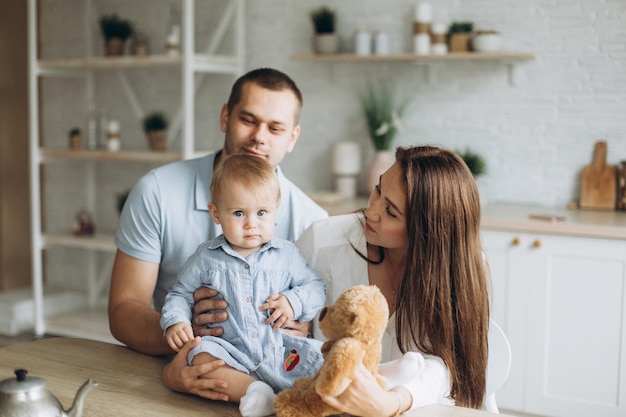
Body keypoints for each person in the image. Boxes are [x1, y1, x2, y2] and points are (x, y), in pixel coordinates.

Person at [181, 145, 490, 415]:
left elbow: (444, 367)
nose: (371, 211)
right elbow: (268, 309)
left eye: (391, 212)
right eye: (379, 189)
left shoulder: (457, 270)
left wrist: (390, 403)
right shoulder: (324, 239)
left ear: (428, 232)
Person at [108, 68, 328, 398]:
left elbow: (325, 313)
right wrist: (189, 335)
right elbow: (123, 310)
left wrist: (305, 320)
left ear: (292, 137)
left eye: (275, 128)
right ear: (226, 116)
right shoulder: (156, 191)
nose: (259, 136)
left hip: (279, 368)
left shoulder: (313, 221)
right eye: (248, 120)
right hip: (187, 364)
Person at [160, 154, 325, 417]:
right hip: (229, 351)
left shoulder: (286, 254)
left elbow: (315, 287)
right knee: (199, 356)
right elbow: (180, 294)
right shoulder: (205, 257)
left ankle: (377, 377)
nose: (251, 224)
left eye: (261, 212)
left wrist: (293, 302)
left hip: (278, 347)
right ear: (216, 213)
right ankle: (255, 392)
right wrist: (176, 321)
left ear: (275, 208)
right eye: (239, 213)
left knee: (327, 358)